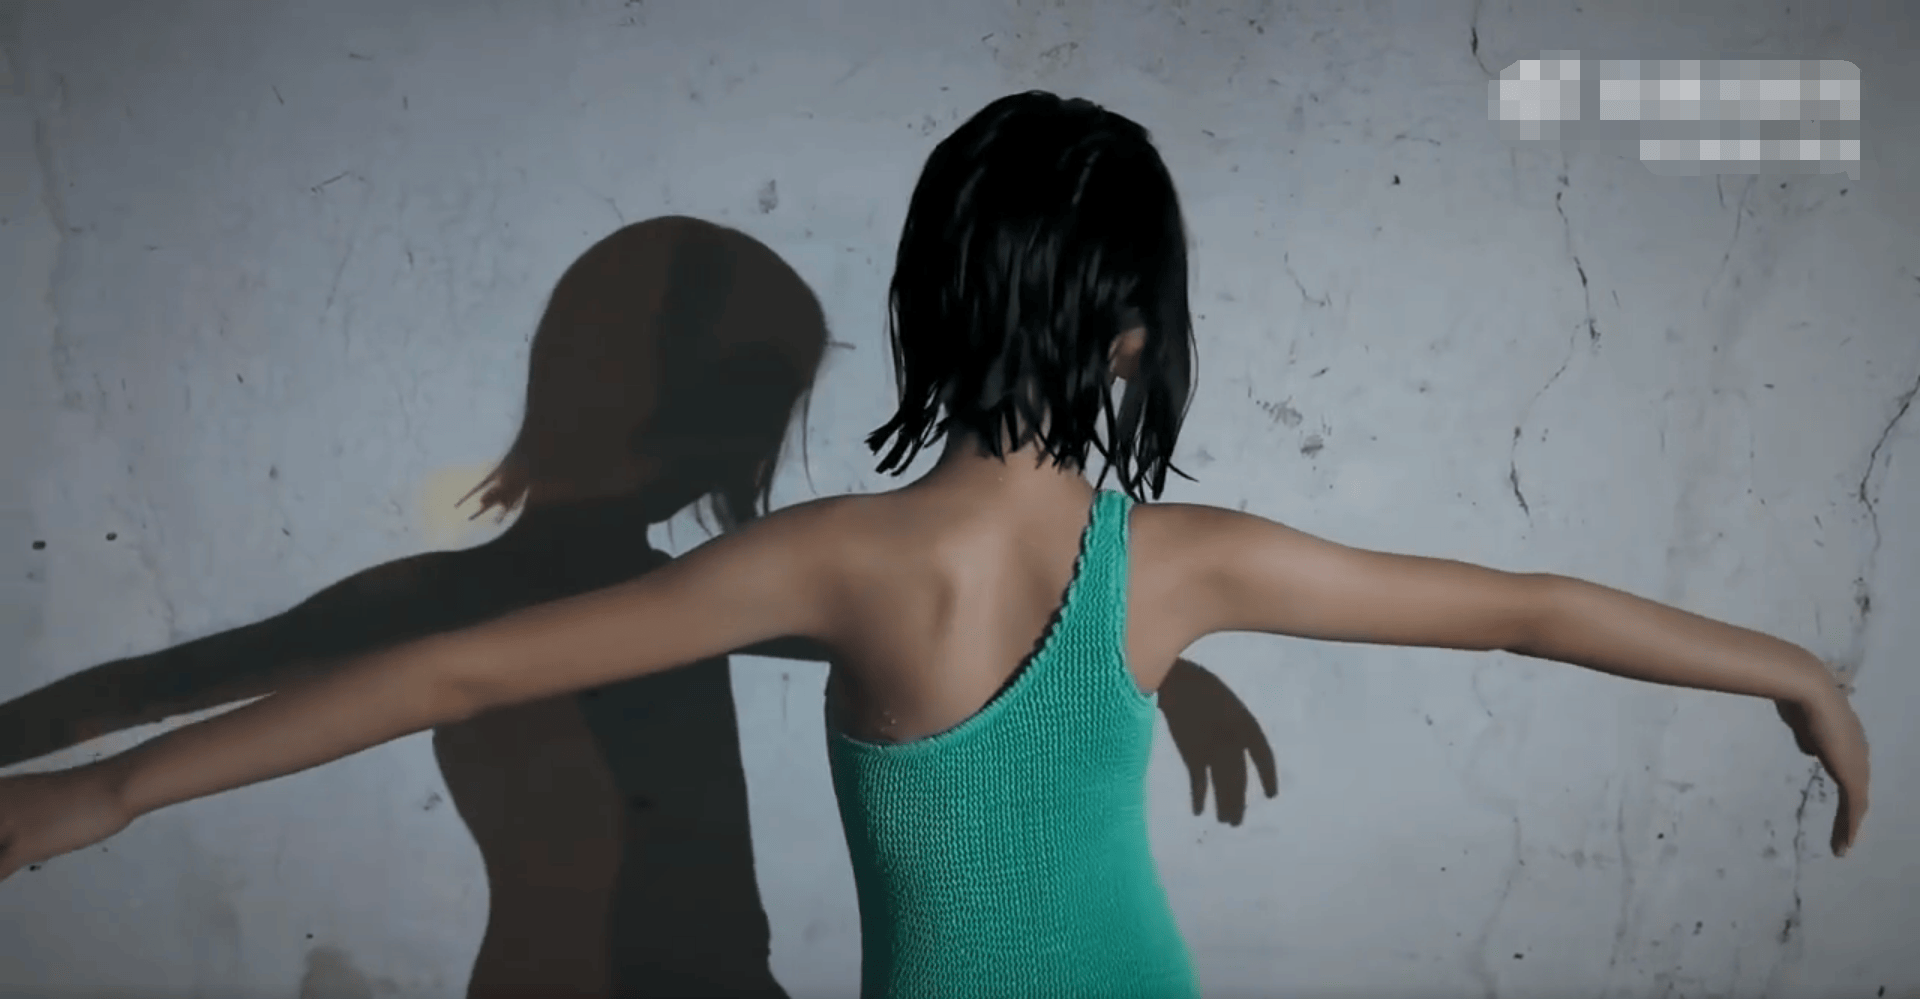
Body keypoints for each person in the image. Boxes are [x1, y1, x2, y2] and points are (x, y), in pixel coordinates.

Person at [0, 91, 1870, 999]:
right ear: (1133, 332)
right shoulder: (1179, 566)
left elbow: (450, 662)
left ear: (922, 299)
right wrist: (1794, 670)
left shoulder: (830, 565)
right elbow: (1526, 606)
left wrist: (110, 792)